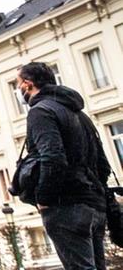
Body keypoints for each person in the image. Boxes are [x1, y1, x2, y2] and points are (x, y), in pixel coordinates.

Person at [18, 62, 115, 270]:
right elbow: (103, 165)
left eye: (18, 84)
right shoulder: (81, 115)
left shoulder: (40, 112)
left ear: (28, 84)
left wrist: (44, 199)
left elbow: (52, 157)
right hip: (95, 204)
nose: (19, 90)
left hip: (66, 204)